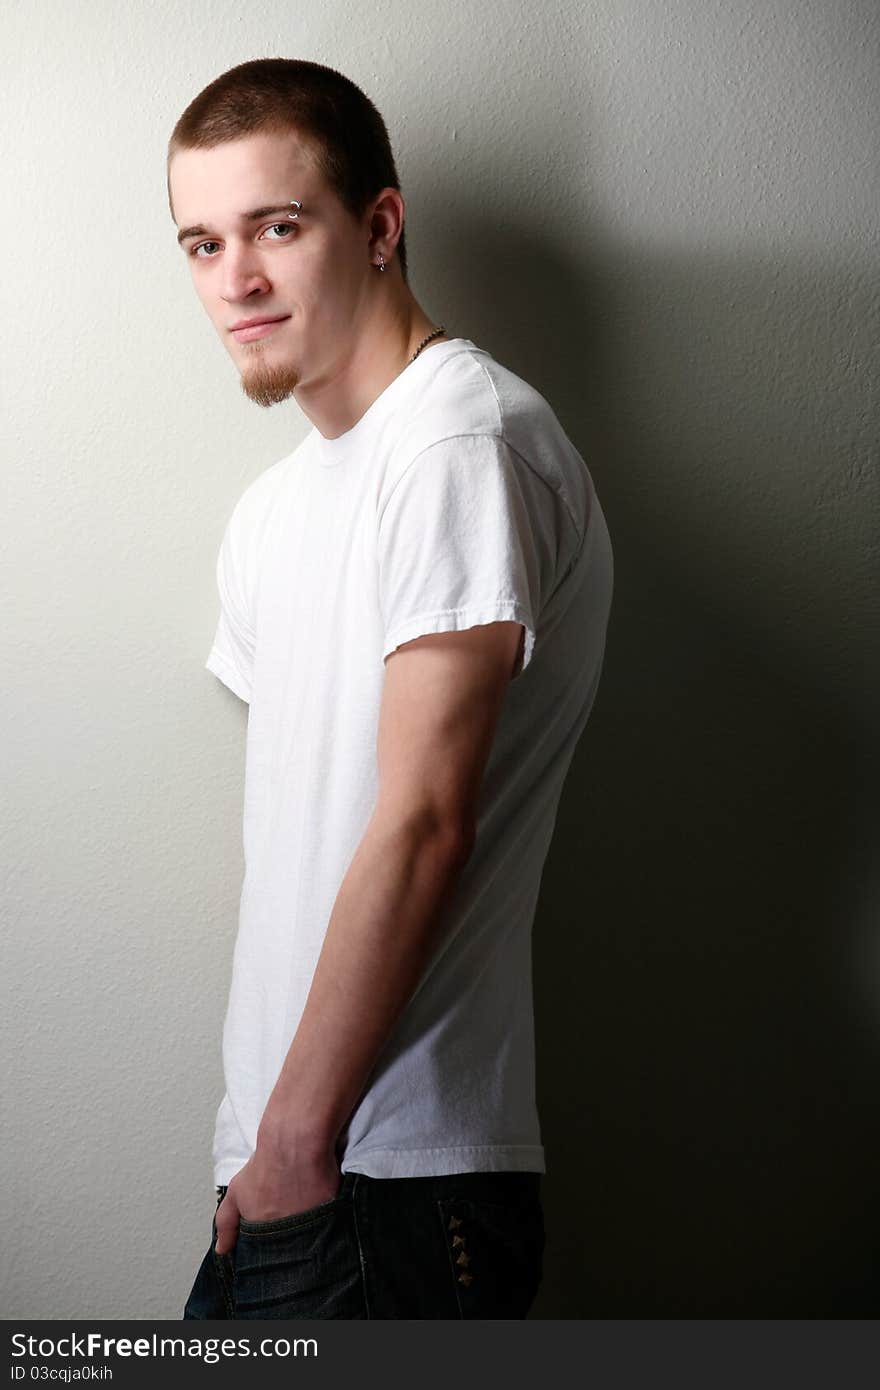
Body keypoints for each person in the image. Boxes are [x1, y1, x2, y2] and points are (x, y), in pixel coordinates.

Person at [170, 57, 613, 1320]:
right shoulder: (273, 511)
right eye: (201, 242)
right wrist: (267, 1157)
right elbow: (316, 834)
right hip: (295, 1178)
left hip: (391, 1183)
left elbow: (423, 822)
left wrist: (297, 1145)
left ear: (378, 225)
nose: (234, 282)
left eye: (276, 227)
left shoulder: (457, 440)